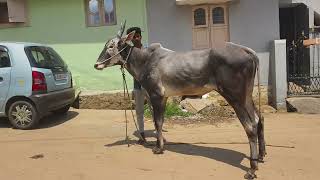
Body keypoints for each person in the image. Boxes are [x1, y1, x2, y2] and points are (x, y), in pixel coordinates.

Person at [126, 27, 146, 144]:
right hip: (137, 85)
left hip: (150, 86)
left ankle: (159, 134)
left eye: (138, 35)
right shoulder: (129, 53)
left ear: (140, 36)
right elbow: (128, 67)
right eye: (133, 36)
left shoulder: (147, 50)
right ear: (130, 39)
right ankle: (142, 134)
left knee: (154, 110)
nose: (136, 38)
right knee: (139, 111)